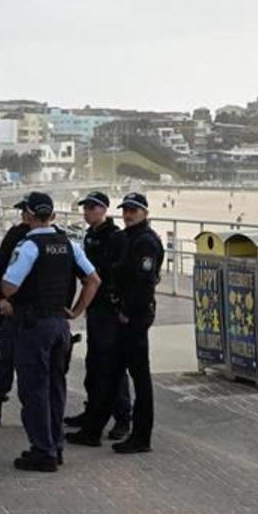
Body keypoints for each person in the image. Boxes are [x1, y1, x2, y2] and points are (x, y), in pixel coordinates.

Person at [0, 192, 100, 472]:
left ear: (30, 216)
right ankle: (55, 445)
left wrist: (10, 299)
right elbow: (93, 280)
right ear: (53, 215)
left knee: (34, 390)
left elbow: (9, 286)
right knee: (56, 387)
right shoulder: (68, 243)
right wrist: (77, 310)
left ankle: (41, 451)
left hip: (34, 326)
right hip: (60, 325)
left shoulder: (29, 246)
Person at [67, 192, 164, 454]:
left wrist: (127, 312)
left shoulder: (145, 242)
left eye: (134, 210)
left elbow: (144, 283)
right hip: (121, 315)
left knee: (139, 379)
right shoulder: (127, 238)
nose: (128, 214)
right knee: (109, 374)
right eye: (126, 209)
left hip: (134, 318)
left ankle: (140, 436)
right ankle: (92, 430)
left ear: (144, 212)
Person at [64, 191, 132, 441]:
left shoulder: (115, 238)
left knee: (113, 365)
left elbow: (114, 274)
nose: (87, 211)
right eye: (85, 207)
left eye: (92, 207)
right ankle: (92, 411)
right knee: (94, 364)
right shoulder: (90, 235)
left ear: (103, 209)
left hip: (108, 309)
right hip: (95, 307)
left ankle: (123, 417)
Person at [0, 200, 37, 430]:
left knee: (34, 367)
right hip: (12, 311)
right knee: (5, 362)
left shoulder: (52, 238)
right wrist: (1, 300)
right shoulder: (15, 235)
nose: (23, 214)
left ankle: (35, 414)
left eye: (27, 211)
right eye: (22, 211)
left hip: (38, 315)